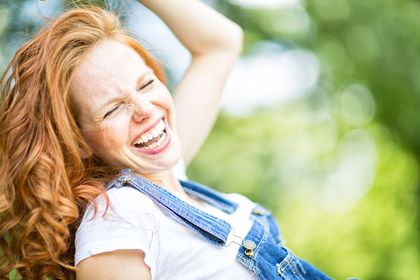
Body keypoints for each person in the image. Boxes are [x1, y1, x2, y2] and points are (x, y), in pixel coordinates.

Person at [0, 1, 331, 279]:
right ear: (80, 140)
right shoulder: (119, 218)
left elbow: (221, 43)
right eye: (113, 109)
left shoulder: (168, 178)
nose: (145, 110)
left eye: (145, 85)